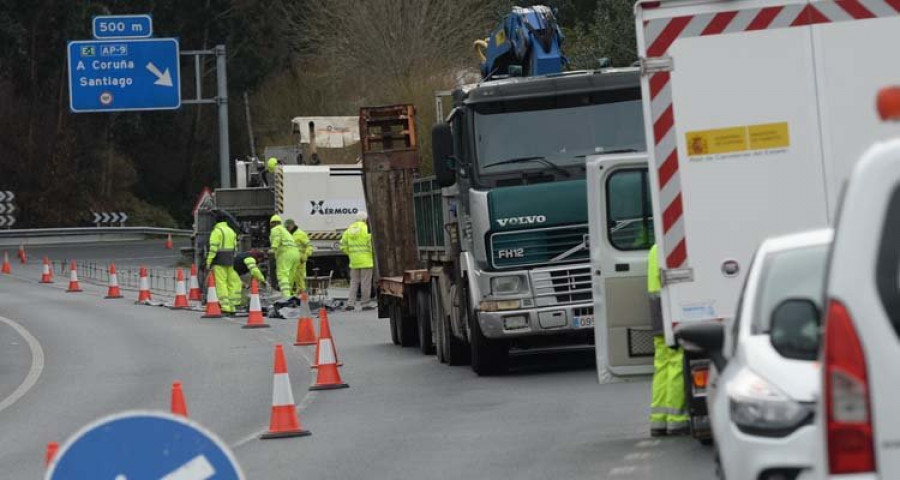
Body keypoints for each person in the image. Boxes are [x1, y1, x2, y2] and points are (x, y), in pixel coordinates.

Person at [648, 243, 688, 436]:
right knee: (677, 363)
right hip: (669, 312)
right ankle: (677, 419)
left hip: (657, 315)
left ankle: (659, 420)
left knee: (662, 365)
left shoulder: (655, 249)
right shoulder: (668, 246)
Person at [206, 211, 239, 315]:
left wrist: (208, 261)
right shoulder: (231, 231)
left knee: (221, 284)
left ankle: (225, 307)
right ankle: (232, 307)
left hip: (219, 261)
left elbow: (213, 249)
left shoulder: (217, 231)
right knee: (231, 283)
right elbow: (235, 248)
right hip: (230, 260)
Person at [340, 211, 374, 311]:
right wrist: (372, 255)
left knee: (354, 282)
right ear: (365, 219)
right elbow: (371, 245)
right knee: (365, 283)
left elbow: (342, 245)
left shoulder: (349, 230)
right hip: (366, 261)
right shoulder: (366, 229)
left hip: (354, 261)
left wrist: (350, 253)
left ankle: (351, 304)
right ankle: (365, 304)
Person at [268, 215, 300, 300]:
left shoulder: (275, 229)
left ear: (272, 223)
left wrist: (273, 249)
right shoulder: (285, 231)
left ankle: (286, 297)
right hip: (295, 253)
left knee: (282, 274)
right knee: (290, 275)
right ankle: (289, 295)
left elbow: (277, 238)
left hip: (285, 253)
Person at [284, 219, 314, 296]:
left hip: (300, 261)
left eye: (288, 227)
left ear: (292, 225)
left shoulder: (301, 234)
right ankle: (292, 297)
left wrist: (305, 256)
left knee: (300, 280)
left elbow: (309, 246)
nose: (287, 228)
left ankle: (302, 297)